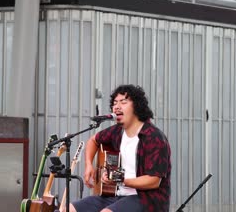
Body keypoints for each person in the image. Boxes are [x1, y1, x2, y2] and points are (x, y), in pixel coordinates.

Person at [70, 84, 171, 212]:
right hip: (114, 196)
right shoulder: (117, 132)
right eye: (115, 103)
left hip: (145, 199)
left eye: (123, 102)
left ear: (137, 106)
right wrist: (88, 164)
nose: (116, 106)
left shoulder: (154, 137)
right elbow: (93, 140)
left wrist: (121, 180)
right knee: (68, 209)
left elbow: (153, 181)